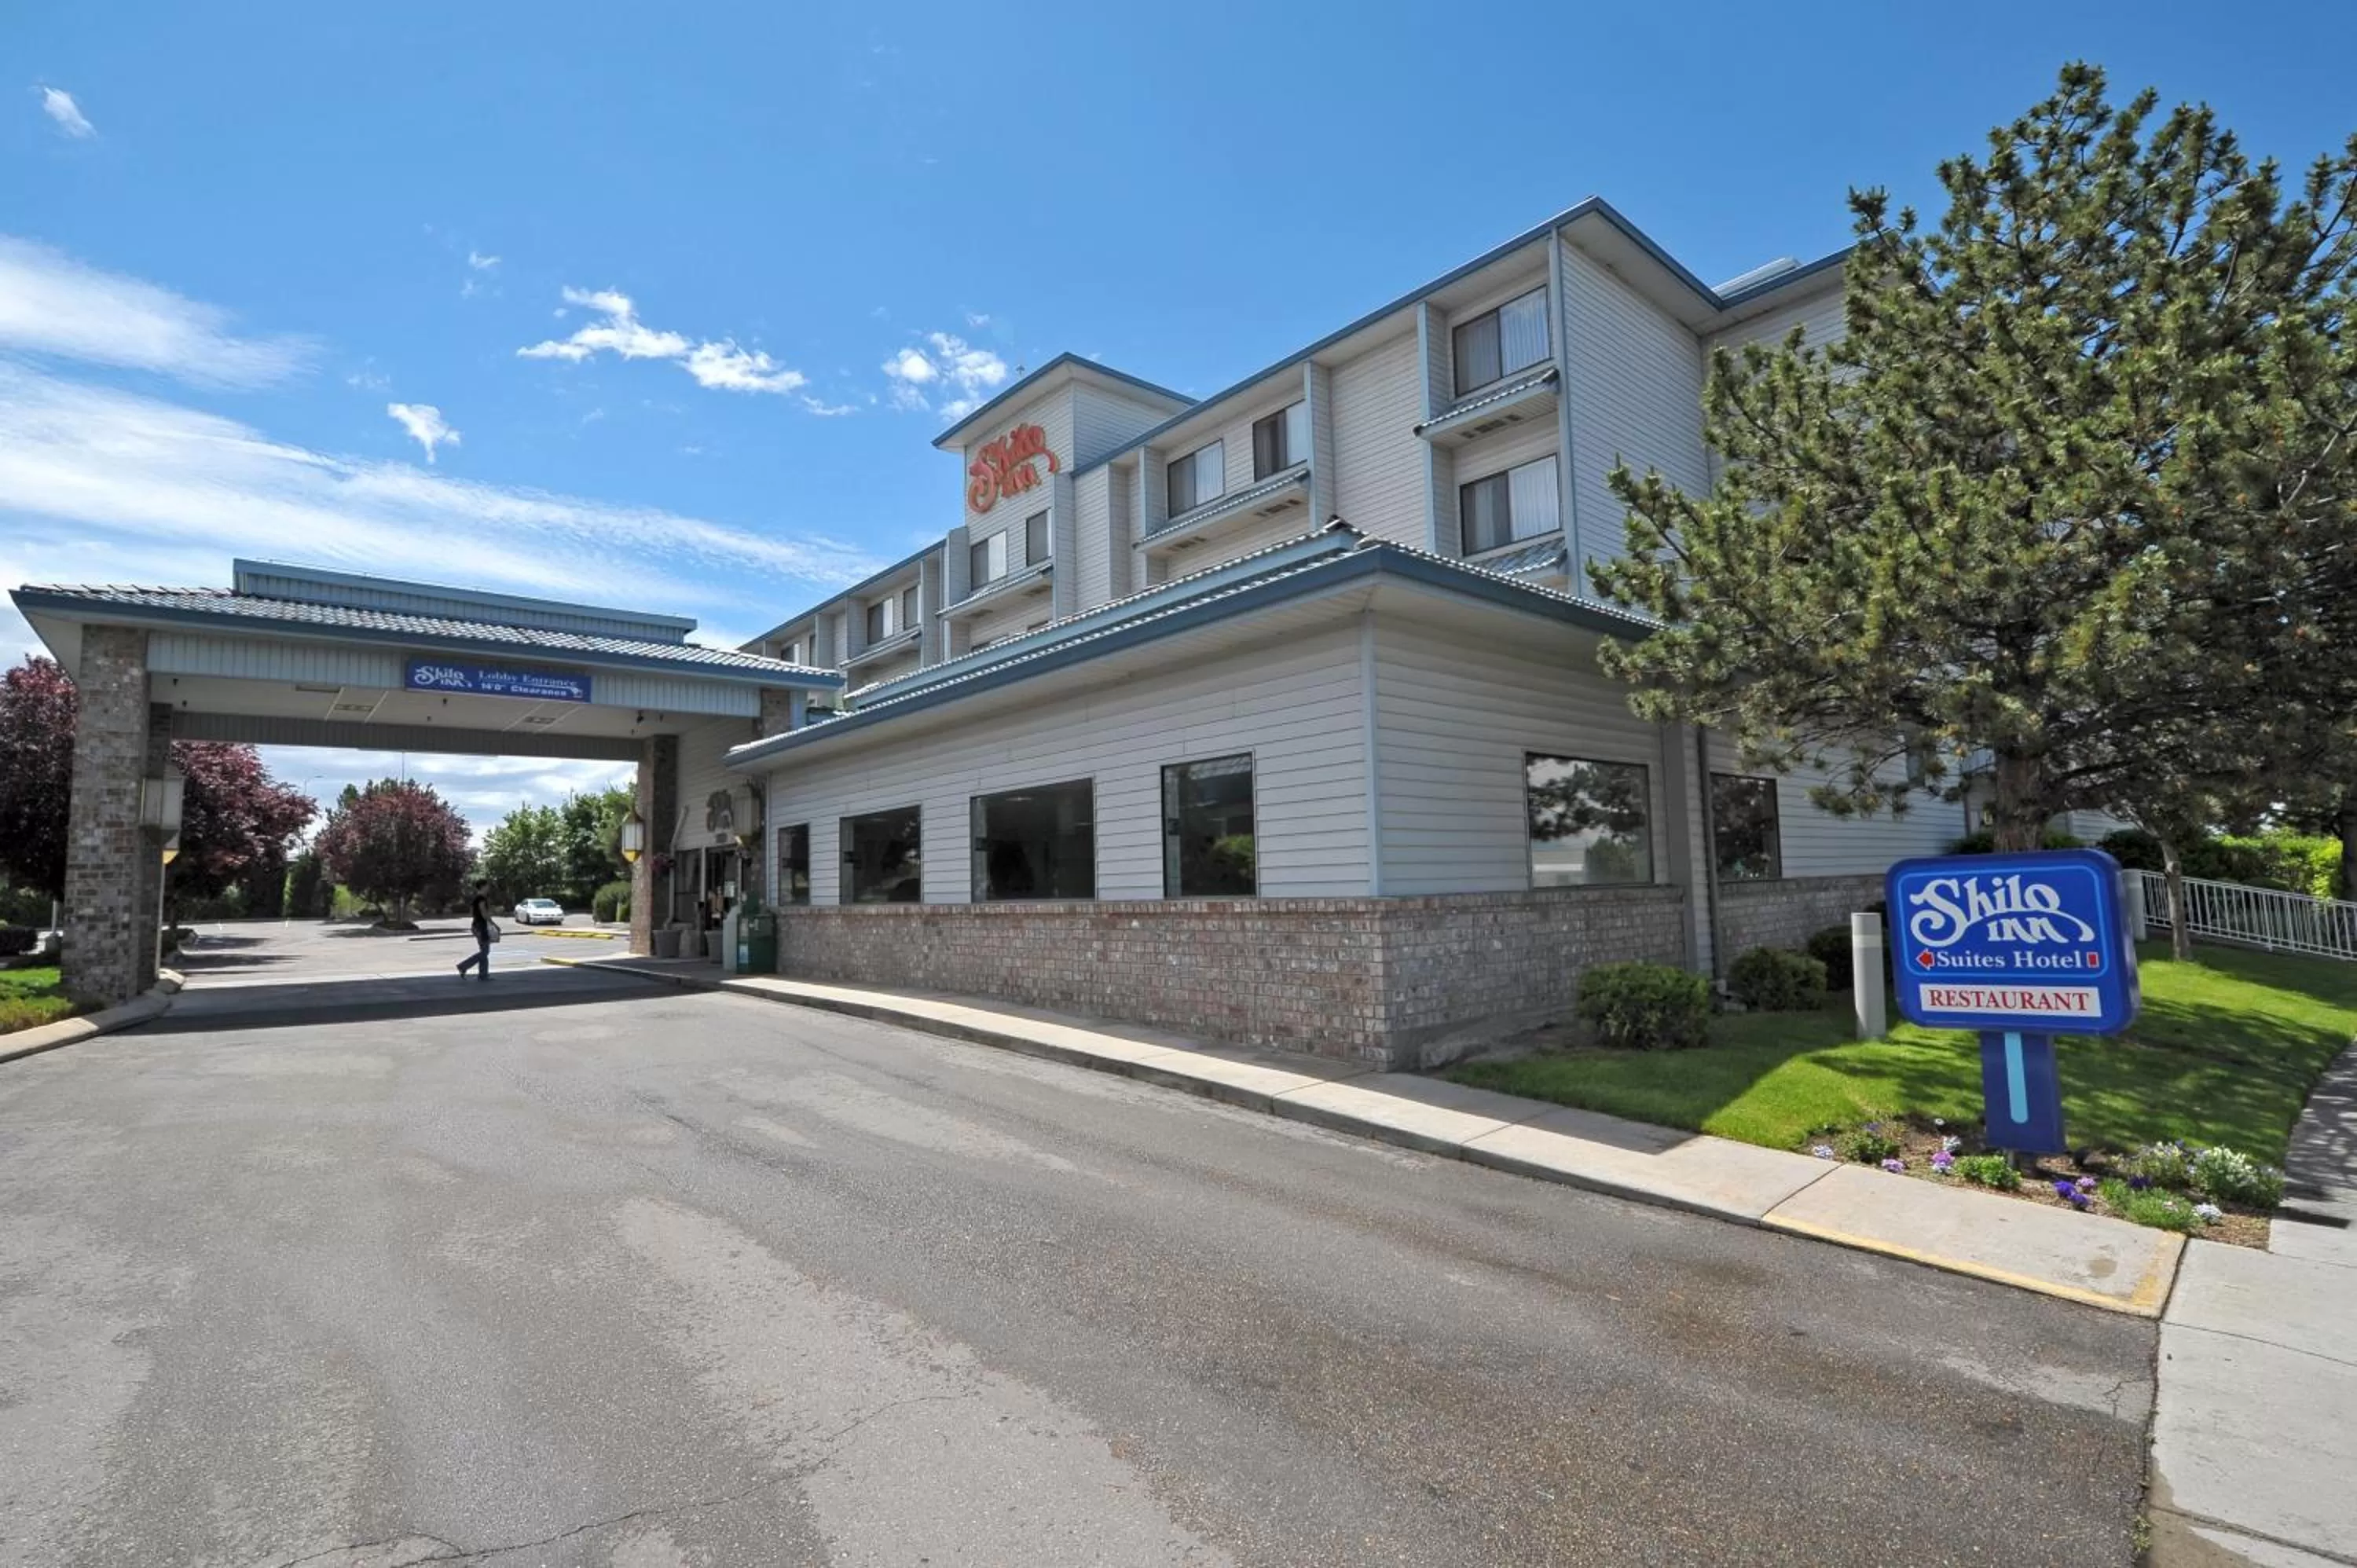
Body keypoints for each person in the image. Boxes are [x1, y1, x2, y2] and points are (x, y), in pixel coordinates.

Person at [456, 881, 497, 980]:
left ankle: (483, 975)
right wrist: (494, 924)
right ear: (482, 887)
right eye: (487, 886)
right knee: (485, 952)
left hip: (477, 925)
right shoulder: (481, 899)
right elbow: (484, 913)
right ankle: (463, 966)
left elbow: (472, 912)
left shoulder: (476, 899)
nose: (489, 888)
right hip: (481, 927)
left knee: (484, 951)